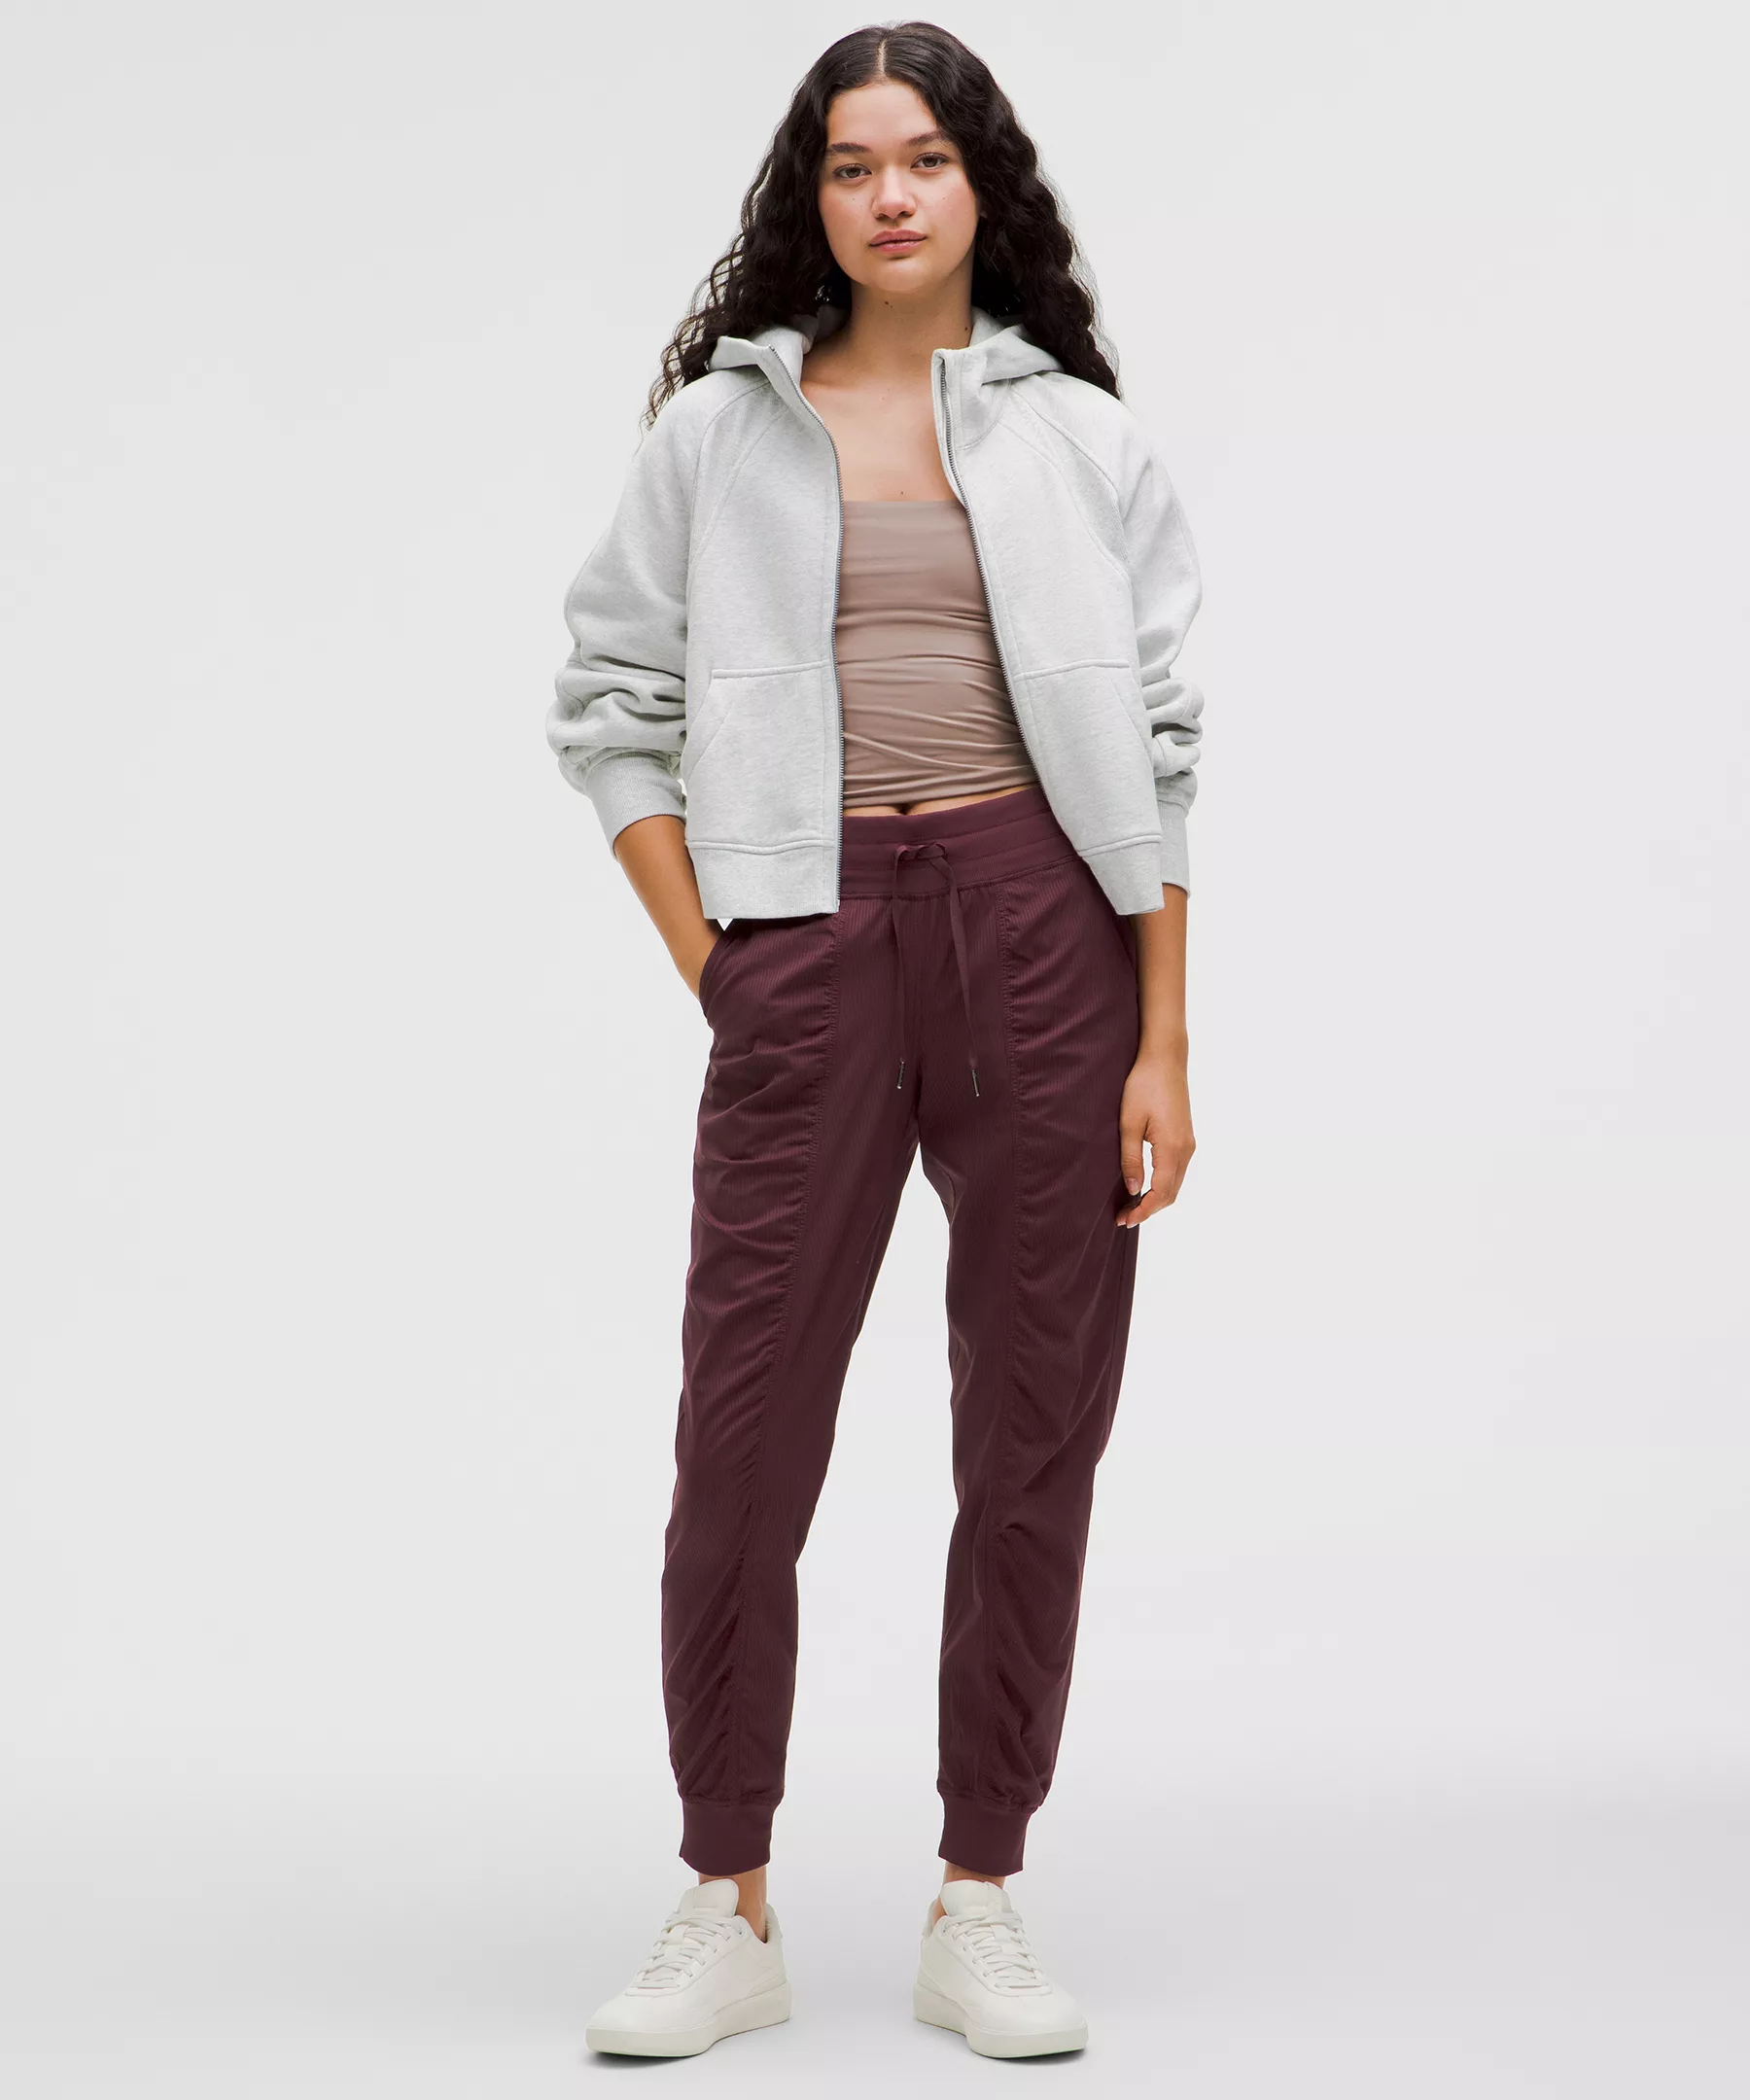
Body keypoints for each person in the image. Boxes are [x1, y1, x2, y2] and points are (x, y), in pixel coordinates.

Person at [547, 20, 1205, 2063]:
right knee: (743, 1429)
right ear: (810, 199)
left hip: (1042, 930)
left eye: (924, 158)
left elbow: (1163, 751)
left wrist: (1164, 1042)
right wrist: (725, 955)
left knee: (1034, 1429)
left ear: (981, 185)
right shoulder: (716, 437)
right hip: (807, 929)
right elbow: (609, 704)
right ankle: (725, 1895)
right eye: (851, 165)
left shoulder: (1076, 438)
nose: (890, 195)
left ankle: (977, 1890)